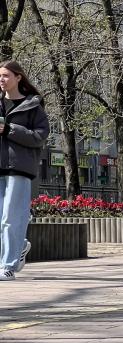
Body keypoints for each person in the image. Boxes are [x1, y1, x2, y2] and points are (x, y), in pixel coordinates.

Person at [0, 61, 49, 281]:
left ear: (18, 77)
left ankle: (8, 266)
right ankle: (18, 247)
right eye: (0, 76)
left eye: (6, 75)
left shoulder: (32, 106)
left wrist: (10, 129)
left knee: (12, 218)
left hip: (18, 168)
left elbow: (40, 136)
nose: (1, 80)